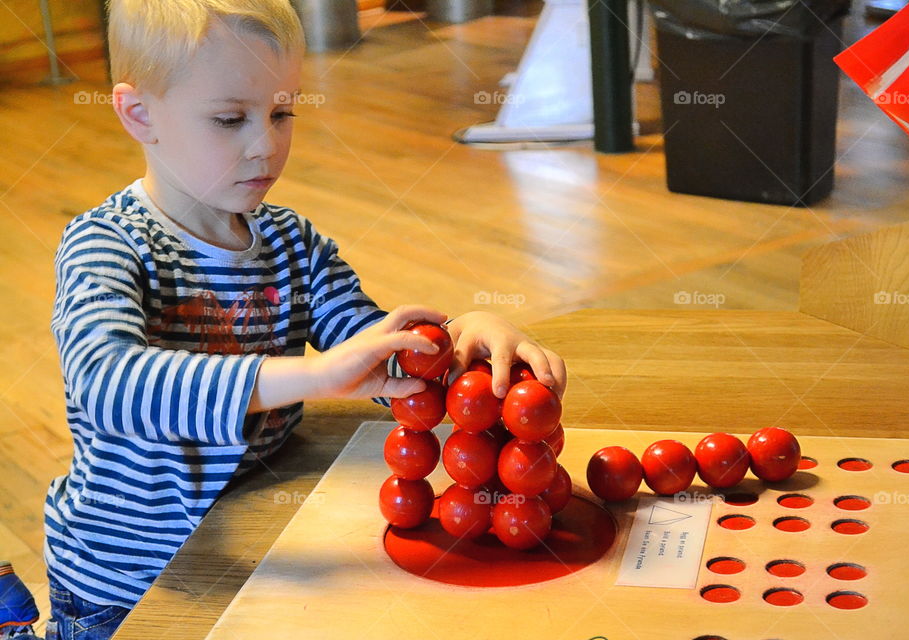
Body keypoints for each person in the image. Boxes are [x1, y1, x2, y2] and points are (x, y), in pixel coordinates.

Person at [38, 1, 566, 638]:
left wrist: (462, 342)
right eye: (230, 119)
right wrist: (310, 377)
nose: (266, 144)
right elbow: (110, 385)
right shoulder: (106, 245)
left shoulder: (292, 242)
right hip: (131, 584)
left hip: (266, 548)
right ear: (138, 113)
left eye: (281, 112)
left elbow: (376, 361)